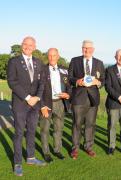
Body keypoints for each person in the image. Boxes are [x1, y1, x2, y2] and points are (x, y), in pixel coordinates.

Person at [7, 36, 46, 176]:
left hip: (34, 104)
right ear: (21, 45)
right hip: (20, 103)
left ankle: (31, 158)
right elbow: (12, 82)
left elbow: (41, 83)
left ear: (34, 47)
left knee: (31, 131)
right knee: (18, 133)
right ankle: (17, 163)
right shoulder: (14, 61)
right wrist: (28, 97)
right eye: (25, 44)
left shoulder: (38, 62)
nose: (28, 46)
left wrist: (37, 98)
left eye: (31, 45)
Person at [68, 40, 105, 159]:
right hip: (79, 97)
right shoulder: (75, 61)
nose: (87, 50)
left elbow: (103, 80)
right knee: (77, 124)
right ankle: (75, 148)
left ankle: (88, 147)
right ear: (81, 48)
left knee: (90, 124)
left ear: (93, 49)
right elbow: (70, 78)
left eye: (89, 48)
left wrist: (98, 82)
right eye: (84, 48)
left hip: (93, 98)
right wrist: (77, 81)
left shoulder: (99, 63)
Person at [40, 48, 71, 163]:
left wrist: (68, 94)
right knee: (45, 129)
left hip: (60, 103)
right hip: (46, 103)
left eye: (54, 55)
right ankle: (46, 153)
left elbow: (69, 86)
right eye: (50, 55)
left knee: (58, 129)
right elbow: (37, 89)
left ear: (58, 56)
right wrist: (42, 105)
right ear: (47, 57)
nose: (52, 58)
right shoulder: (41, 70)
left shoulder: (65, 70)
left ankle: (57, 150)